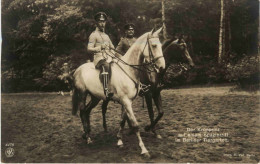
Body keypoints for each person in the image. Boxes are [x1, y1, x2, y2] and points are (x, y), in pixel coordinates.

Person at [87, 12, 115, 99]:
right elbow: (89, 49)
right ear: (97, 23)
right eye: (100, 22)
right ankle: (106, 90)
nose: (102, 24)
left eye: (104, 22)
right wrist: (100, 47)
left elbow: (112, 47)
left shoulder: (106, 35)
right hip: (99, 58)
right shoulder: (93, 35)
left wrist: (112, 50)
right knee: (106, 65)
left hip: (108, 56)